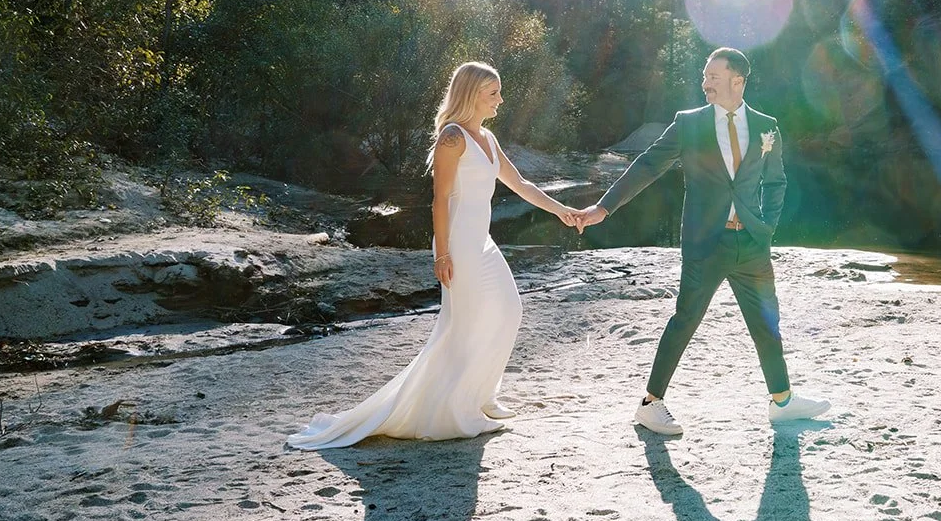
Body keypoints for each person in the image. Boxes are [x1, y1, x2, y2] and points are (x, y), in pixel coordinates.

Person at [287, 62, 582, 449]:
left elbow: (520, 183)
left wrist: (561, 210)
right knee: (462, 325)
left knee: (509, 309)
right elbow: (439, 200)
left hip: (483, 243)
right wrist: (441, 254)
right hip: (458, 244)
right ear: (471, 94)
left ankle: (482, 394)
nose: (500, 99)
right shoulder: (452, 138)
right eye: (493, 92)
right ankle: (461, 407)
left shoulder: (487, 139)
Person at [576, 47, 830, 435]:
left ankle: (782, 400)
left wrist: (765, 228)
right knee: (686, 319)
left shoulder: (766, 126)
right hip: (705, 243)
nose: (705, 82)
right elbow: (648, 164)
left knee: (767, 323)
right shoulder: (689, 123)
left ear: (737, 80)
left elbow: (776, 181)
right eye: (704, 76)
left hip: (752, 244)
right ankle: (650, 403)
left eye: (713, 76)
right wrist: (604, 208)